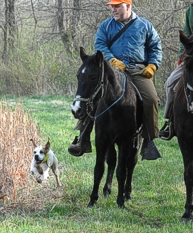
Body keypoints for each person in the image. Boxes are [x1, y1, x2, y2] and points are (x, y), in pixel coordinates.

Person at [68, 0, 162, 160]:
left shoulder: (145, 26)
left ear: (128, 6)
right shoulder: (105, 26)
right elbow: (100, 45)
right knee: (92, 94)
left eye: (117, 6)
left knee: (151, 99)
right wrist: (111, 60)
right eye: (112, 6)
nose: (113, 9)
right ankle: (83, 138)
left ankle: (149, 140)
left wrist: (152, 65)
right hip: (112, 69)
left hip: (137, 69)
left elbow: (155, 46)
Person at [159, 4, 193, 140]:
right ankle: (171, 122)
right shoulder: (191, 10)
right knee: (171, 83)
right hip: (191, 54)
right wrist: (182, 57)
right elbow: (185, 35)